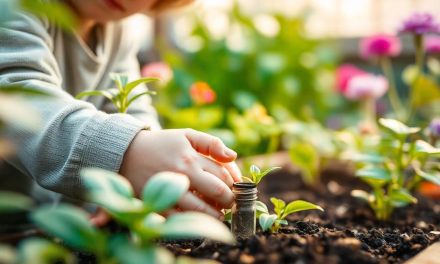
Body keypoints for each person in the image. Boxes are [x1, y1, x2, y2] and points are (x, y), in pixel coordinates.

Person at [0, 0, 241, 226]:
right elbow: (15, 97)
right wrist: (125, 153)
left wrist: (128, 189)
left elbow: (134, 113)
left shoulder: (117, 31)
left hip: (51, 226)